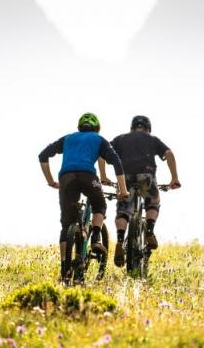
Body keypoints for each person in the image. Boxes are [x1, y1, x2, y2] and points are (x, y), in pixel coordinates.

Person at [39, 112, 130, 283]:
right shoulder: (98, 139)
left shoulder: (67, 138)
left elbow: (43, 155)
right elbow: (116, 162)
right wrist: (123, 190)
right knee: (99, 205)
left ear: (79, 127)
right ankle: (96, 237)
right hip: (88, 177)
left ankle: (65, 267)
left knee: (66, 225)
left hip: (66, 178)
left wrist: (50, 180)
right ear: (96, 128)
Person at [99, 115, 181, 268]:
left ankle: (119, 240)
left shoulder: (121, 139)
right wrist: (174, 178)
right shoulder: (152, 139)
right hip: (146, 175)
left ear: (132, 127)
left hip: (126, 177)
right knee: (153, 201)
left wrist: (103, 176)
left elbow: (102, 154)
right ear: (148, 128)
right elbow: (169, 154)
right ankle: (149, 231)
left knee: (123, 211)